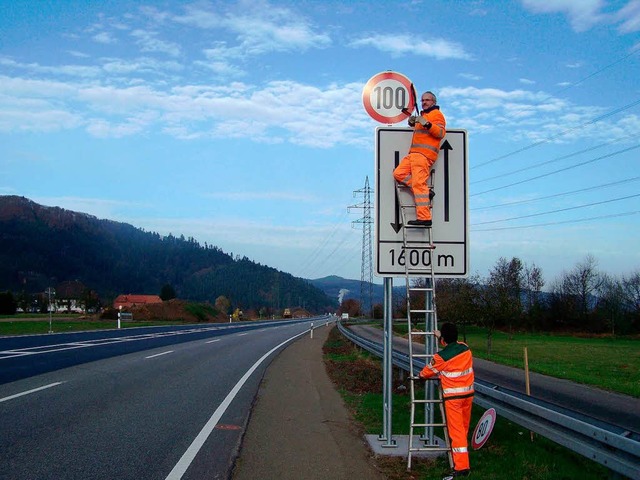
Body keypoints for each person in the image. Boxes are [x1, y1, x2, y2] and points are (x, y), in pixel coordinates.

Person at [419, 322, 474, 479]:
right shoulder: (465, 348)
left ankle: (462, 467)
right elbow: (453, 344)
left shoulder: (441, 357)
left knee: (456, 433)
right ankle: (464, 458)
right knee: (463, 429)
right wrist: (441, 335)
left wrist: (420, 377)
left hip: (453, 399)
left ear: (443, 340)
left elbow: (427, 371)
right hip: (468, 395)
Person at [393, 91, 446, 227]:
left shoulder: (436, 115)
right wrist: (413, 123)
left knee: (418, 184)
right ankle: (426, 192)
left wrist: (427, 124)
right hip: (414, 154)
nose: (424, 103)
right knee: (398, 174)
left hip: (424, 155)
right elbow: (421, 131)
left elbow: (440, 133)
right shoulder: (424, 116)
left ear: (434, 102)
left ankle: (424, 217)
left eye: (427, 100)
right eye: (422, 101)